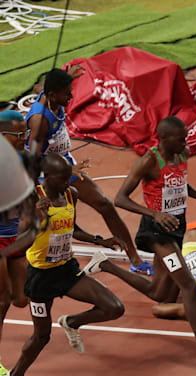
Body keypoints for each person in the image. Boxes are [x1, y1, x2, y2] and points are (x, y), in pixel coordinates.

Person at [4, 153, 125, 376]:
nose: (67, 182)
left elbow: (73, 229)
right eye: (62, 178)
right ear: (47, 177)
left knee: (114, 307)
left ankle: (71, 322)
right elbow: (19, 240)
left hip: (66, 269)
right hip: (40, 277)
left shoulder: (71, 194)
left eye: (68, 177)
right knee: (42, 336)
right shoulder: (33, 199)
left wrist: (99, 240)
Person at [112, 116, 196, 374]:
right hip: (156, 233)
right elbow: (120, 198)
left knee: (159, 293)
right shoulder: (148, 161)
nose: (186, 142)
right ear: (163, 138)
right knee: (189, 287)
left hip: (176, 228)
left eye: (186, 137)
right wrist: (155, 214)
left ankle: (106, 266)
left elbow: (180, 184)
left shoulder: (182, 154)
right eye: (180, 138)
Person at [25, 67, 153, 275]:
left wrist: (67, 77)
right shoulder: (40, 120)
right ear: (53, 95)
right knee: (49, 224)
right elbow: (33, 160)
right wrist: (66, 170)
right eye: (67, 93)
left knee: (104, 204)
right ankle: (42, 268)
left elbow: (38, 86)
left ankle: (135, 260)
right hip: (47, 171)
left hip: (64, 162)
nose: (71, 97)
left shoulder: (49, 94)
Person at [84, 221, 196, 321]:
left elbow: (158, 309)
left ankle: (109, 264)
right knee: (159, 294)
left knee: (163, 294)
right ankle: (106, 265)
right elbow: (158, 309)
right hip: (180, 243)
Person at [0, 111, 31, 376]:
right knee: (2, 299)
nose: (24, 138)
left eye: (26, 133)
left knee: (21, 299)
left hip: (14, 237)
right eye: (19, 135)